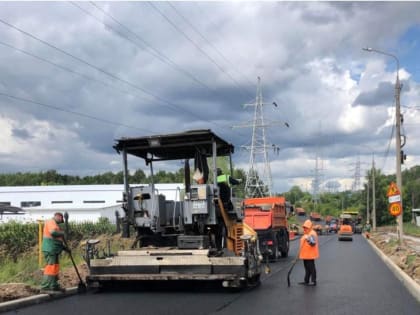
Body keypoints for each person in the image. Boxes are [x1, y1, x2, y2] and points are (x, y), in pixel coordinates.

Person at [40, 212, 68, 292]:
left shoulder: (56, 225)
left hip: (54, 249)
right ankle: (45, 287)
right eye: (61, 220)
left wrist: (65, 249)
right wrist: (62, 233)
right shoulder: (50, 222)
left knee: (55, 267)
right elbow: (53, 233)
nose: (60, 222)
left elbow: (58, 241)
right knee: (50, 267)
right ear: (58, 216)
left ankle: (54, 285)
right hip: (50, 249)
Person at [299, 219, 319, 286]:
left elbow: (313, 243)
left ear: (309, 227)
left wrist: (308, 239)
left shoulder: (312, 233)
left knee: (311, 268)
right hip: (305, 255)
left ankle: (313, 281)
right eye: (304, 227)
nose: (304, 228)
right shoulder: (306, 233)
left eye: (306, 227)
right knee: (307, 269)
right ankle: (306, 281)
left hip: (310, 255)